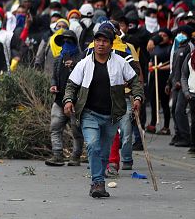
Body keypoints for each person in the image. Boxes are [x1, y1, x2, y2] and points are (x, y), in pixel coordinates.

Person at [63, 25, 144, 198]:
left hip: (112, 116)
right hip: (89, 114)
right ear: (94, 42)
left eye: (105, 41)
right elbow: (71, 85)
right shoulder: (84, 64)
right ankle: (97, 183)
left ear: (111, 44)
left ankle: (98, 180)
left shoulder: (120, 63)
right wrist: (68, 100)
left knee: (104, 152)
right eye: (98, 40)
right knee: (93, 145)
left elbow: (135, 82)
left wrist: (137, 98)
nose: (101, 44)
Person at [45, 30, 84, 166]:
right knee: (55, 127)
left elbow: (84, 78)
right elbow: (54, 77)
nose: (66, 44)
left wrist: (73, 66)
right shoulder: (59, 59)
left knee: (76, 130)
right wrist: (53, 85)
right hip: (59, 99)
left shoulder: (82, 59)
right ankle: (57, 155)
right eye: (64, 41)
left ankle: (75, 156)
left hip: (76, 101)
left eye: (69, 41)